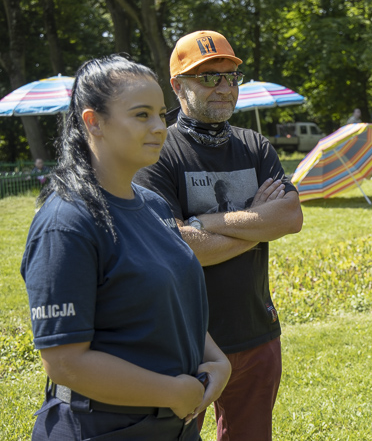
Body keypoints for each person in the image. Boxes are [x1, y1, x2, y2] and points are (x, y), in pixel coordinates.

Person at [21, 55, 231, 440]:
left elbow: (175, 299)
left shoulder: (154, 204)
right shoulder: (67, 222)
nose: (159, 127)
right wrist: (170, 391)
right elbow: (64, 362)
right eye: (141, 115)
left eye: (160, 114)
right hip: (101, 427)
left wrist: (217, 361)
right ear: (93, 122)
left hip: (174, 425)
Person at [134, 30, 303, 441]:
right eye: (209, 77)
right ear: (178, 86)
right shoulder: (157, 152)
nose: (224, 88)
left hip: (256, 332)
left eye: (231, 77)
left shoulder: (255, 145)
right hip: (183, 340)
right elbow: (176, 247)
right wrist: (259, 224)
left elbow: (290, 217)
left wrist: (205, 222)